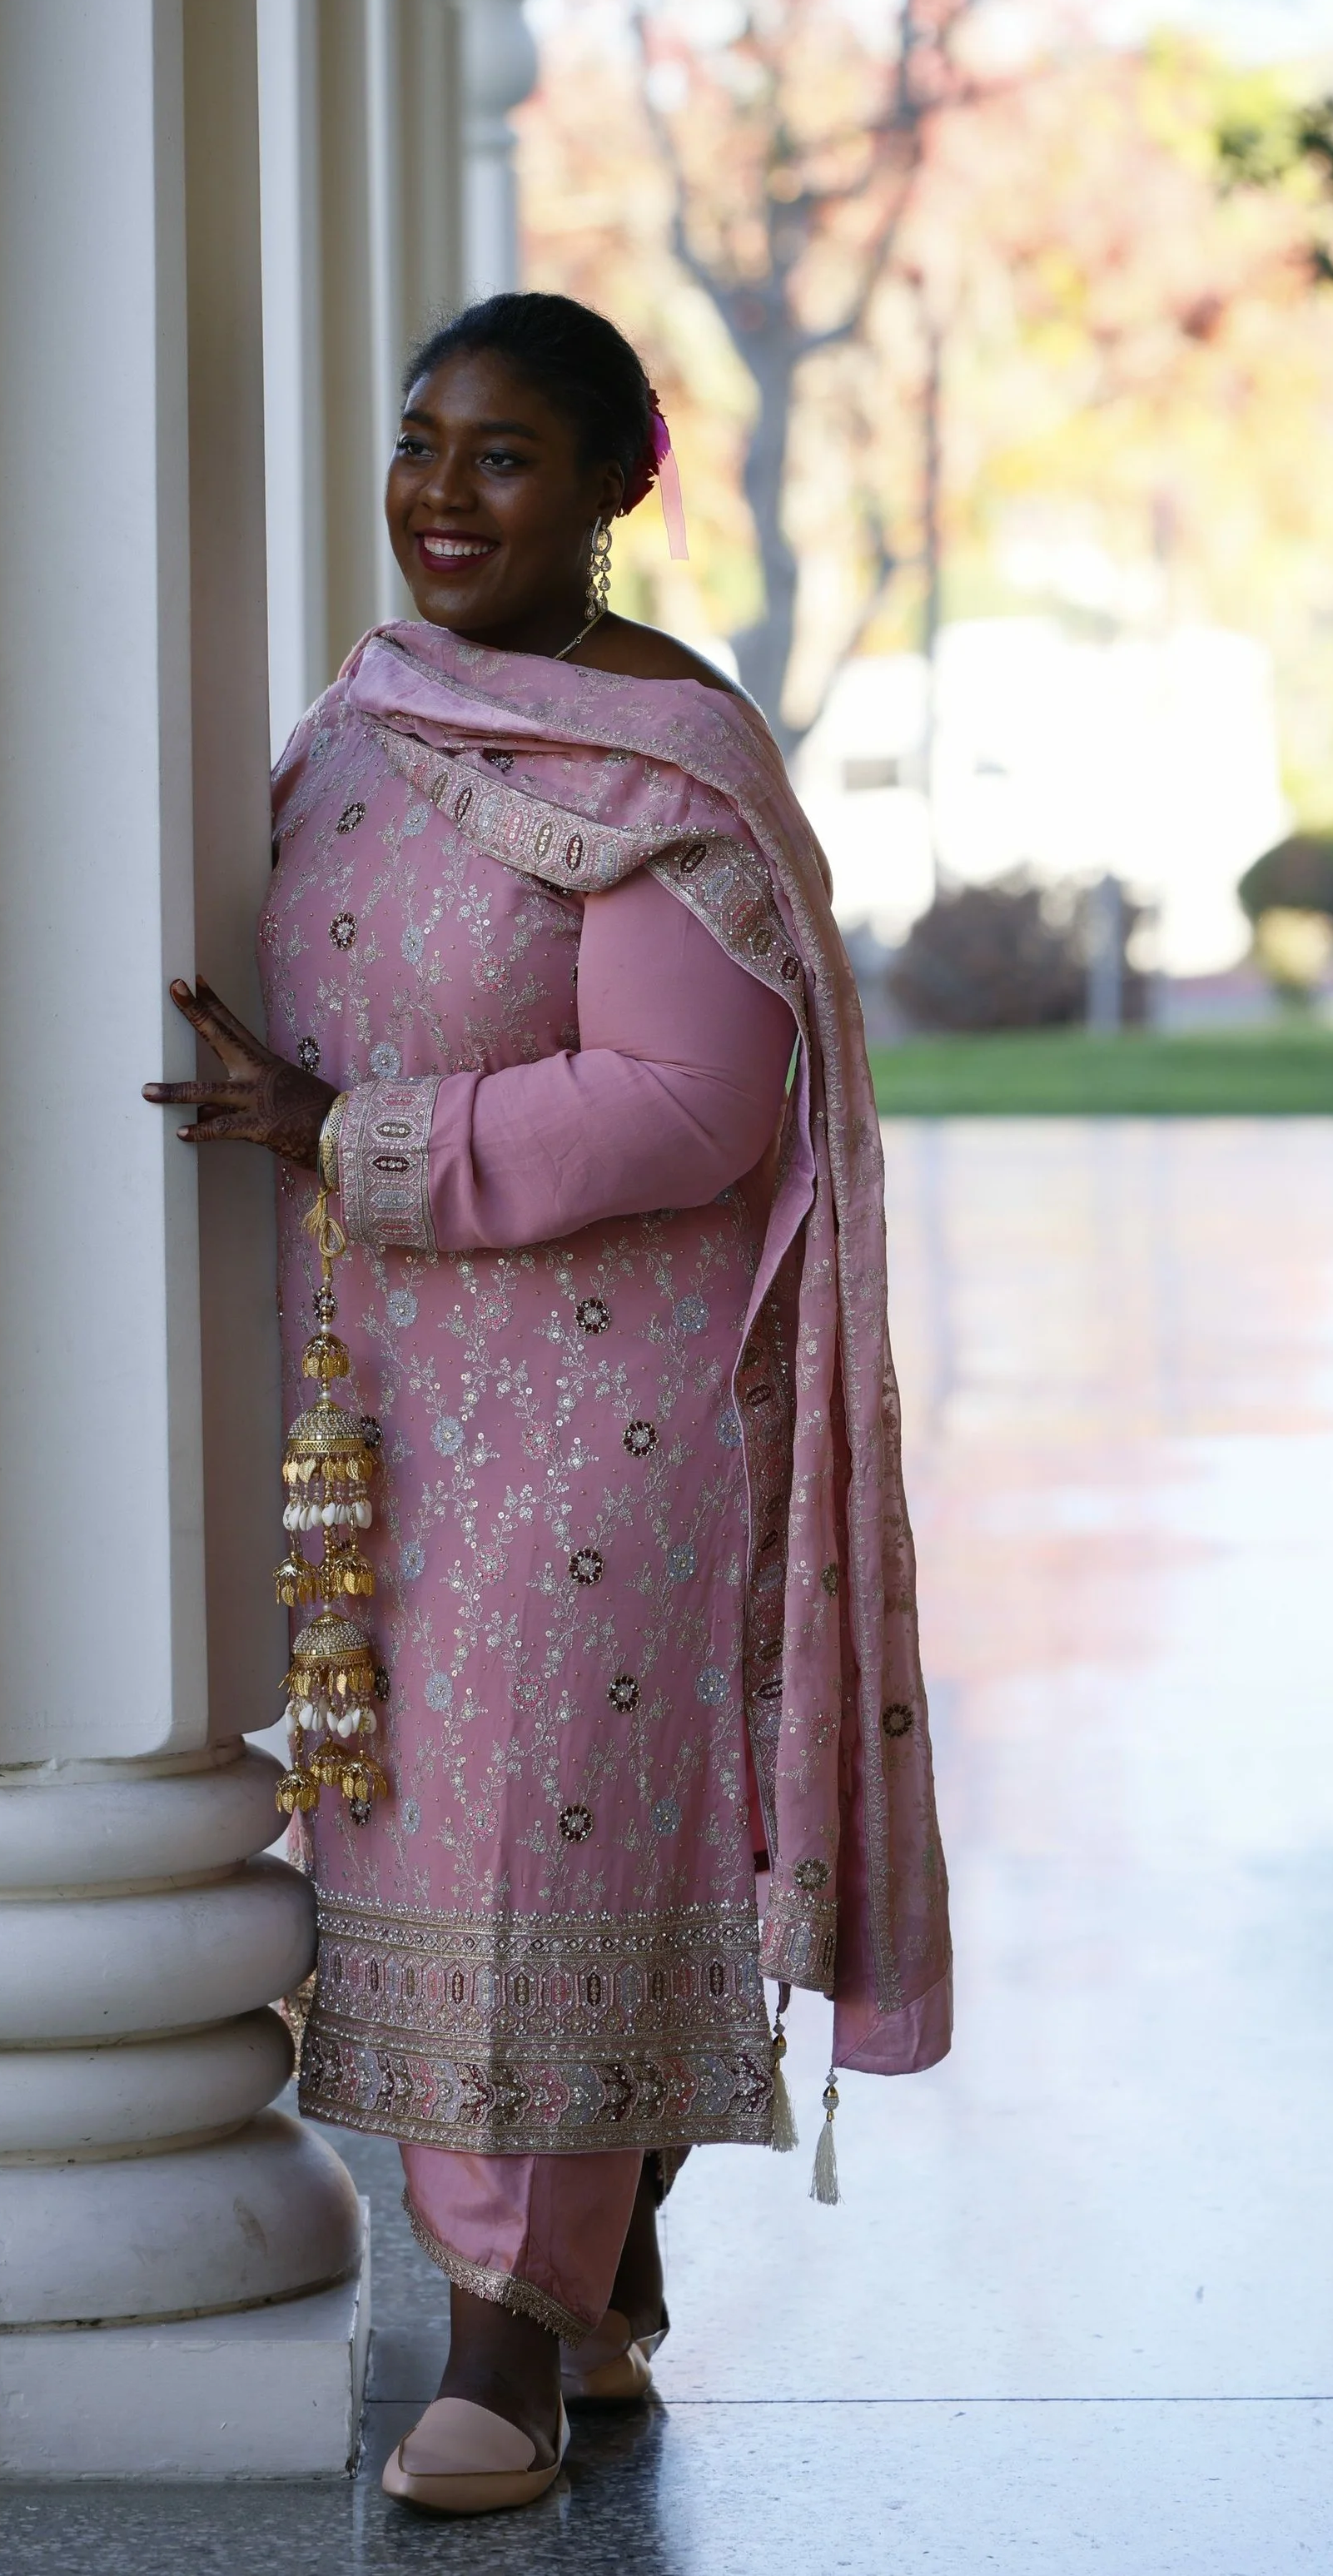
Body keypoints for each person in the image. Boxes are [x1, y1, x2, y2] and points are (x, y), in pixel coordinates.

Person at [145, 292, 950, 2516]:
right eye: (420, 443)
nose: (439, 490)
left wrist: (349, 1132)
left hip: (608, 1402)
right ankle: (595, 2304)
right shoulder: (375, 708)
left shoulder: (657, 755)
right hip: (394, 1384)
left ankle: (501, 2336)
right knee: (453, 1827)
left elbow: (690, 1104)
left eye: (503, 454)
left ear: (623, 479)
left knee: (542, 1839)